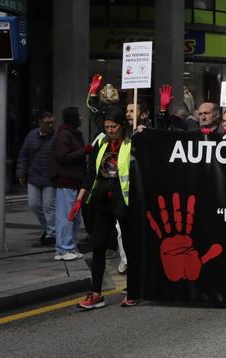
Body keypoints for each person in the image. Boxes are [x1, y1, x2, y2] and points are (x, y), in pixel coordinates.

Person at [70, 107, 137, 309]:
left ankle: (133, 291)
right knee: (98, 246)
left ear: (122, 126)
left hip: (123, 200)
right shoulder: (100, 142)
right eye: (107, 127)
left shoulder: (132, 143)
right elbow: (91, 174)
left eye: (113, 127)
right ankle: (96, 293)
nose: (110, 130)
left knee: (129, 246)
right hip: (102, 200)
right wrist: (79, 200)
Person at [49, 107, 87, 261]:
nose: (82, 118)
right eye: (79, 115)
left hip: (74, 182)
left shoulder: (73, 134)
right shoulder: (64, 135)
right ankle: (64, 249)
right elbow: (64, 157)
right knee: (66, 216)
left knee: (74, 217)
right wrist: (85, 151)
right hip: (66, 182)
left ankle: (67, 246)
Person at [16, 110, 56, 247]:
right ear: (40, 123)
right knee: (34, 205)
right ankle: (49, 229)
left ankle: (51, 233)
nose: (50, 125)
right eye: (47, 123)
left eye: (52, 122)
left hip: (50, 177)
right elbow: (24, 155)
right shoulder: (31, 136)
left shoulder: (56, 136)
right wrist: (21, 173)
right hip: (34, 176)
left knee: (49, 206)